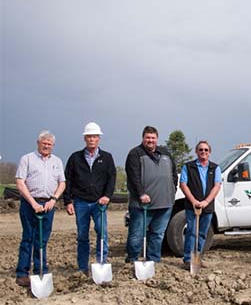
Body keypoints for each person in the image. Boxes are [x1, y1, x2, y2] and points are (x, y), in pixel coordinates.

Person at [63, 122, 116, 276]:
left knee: (102, 232)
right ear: (85, 139)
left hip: (99, 203)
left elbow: (111, 178)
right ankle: (82, 267)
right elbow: (68, 180)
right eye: (89, 137)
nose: (92, 139)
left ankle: (101, 262)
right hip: (81, 202)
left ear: (98, 138)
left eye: (94, 136)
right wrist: (67, 201)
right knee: (82, 235)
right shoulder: (75, 158)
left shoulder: (106, 158)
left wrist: (107, 196)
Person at [14, 130, 66, 287]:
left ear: (53, 146)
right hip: (30, 204)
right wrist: (33, 203)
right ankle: (22, 273)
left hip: (48, 204)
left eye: (49, 144)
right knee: (28, 237)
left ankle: (40, 270)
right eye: (44, 143)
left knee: (42, 239)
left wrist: (54, 199)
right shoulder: (27, 159)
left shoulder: (56, 161)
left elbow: (62, 183)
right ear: (38, 143)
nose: (46, 146)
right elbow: (20, 182)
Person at [125, 126, 177, 264]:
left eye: (153, 138)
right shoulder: (135, 154)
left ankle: (153, 260)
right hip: (142, 205)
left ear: (157, 139)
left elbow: (173, 174)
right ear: (143, 138)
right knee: (137, 235)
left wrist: (172, 191)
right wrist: (141, 194)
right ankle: (132, 259)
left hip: (165, 203)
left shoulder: (165, 153)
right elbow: (133, 177)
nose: (150, 140)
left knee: (158, 234)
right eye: (148, 137)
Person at [180, 141, 222, 269]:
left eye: (206, 150)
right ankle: (188, 259)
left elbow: (217, 186)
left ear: (209, 152)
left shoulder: (215, 168)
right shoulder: (188, 167)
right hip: (192, 205)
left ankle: (198, 258)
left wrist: (206, 201)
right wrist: (194, 201)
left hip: (207, 206)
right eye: (200, 150)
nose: (203, 152)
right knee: (191, 232)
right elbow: (183, 184)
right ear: (196, 151)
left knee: (202, 233)